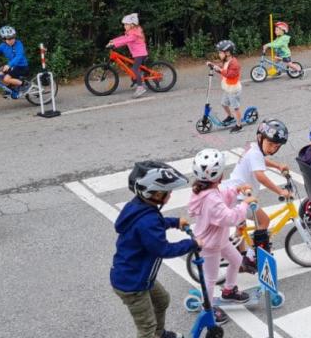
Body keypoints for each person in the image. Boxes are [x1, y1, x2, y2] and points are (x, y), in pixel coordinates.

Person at [111, 161, 194, 336]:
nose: (170, 195)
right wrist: (192, 244)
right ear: (154, 193)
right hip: (133, 284)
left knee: (162, 300)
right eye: (167, 192)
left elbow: (155, 224)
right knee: (146, 328)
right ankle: (154, 333)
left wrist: (174, 222)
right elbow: (163, 249)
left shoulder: (140, 208)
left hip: (137, 275)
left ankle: (160, 333)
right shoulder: (147, 220)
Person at [187, 149, 256, 322]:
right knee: (210, 279)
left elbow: (222, 196)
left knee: (237, 261)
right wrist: (245, 204)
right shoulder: (210, 198)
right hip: (209, 244)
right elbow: (229, 217)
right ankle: (208, 309)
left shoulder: (207, 189)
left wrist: (237, 190)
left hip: (220, 239)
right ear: (219, 175)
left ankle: (229, 291)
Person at [222, 119, 291, 270]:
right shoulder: (255, 154)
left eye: (276, 146)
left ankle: (238, 257)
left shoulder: (254, 149)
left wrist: (278, 165)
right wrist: (280, 191)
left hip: (234, 193)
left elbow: (261, 161)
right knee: (264, 221)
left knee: (241, 228)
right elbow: (260, 175)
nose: (272, 149)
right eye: (270, 144)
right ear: (260, 138)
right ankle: (253, 258)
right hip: (240, 196)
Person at [107, 13, 149, 98]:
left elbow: (125, 41)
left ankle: (140, 87)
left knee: (134, 69)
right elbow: (123, 38)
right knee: (134, 68)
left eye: (126, 24)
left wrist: (114, 44)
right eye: (124, 24)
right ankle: (137, 79)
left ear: (132, 25)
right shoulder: (131, 32)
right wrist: (113, 41)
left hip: (140, 54)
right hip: (137, 53)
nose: (124, 26)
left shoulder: (134, 34)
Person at [208, 40, 244, 133]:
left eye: (220, 52)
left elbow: (229, 74)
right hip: (227, 89)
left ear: (227, 53)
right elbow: (221, 68)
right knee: (224, 104)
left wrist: (219, 70)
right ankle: (230, 117)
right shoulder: (225, 61)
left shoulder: (234, 63)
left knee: (235, 108)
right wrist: (213, 66)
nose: (219, 54)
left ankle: (239, 125)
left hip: (234, 90)